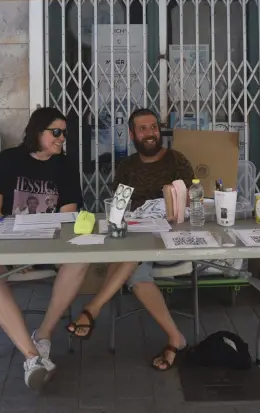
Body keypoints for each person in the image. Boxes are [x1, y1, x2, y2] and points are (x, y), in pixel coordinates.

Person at [67, 108, 194, 371]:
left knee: (130, 258)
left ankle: (92, 309)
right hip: (136, 235)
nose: (150, 133)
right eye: (143, 129)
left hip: (170, 236)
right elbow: (119, 207)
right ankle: (175, 337)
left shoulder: (176, 160)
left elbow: (188, 199)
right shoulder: (126, 167)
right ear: (132, 134)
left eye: (154, 128)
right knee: (135, 272)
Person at [0, 107, 89, 390]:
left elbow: (68, 214)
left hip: (49, 243)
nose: (62, 138)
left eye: (65, 133)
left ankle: (45, 334)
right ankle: (32, 355)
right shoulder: (7, 160)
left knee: (82, 259)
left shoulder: (64, 165)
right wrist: (17, 244)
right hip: (10, 242)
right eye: (56, 132)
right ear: (38, 132)